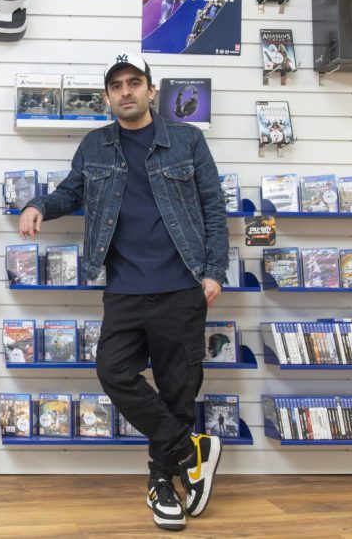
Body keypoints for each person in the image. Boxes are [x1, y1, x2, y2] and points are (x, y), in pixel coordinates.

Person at [18, 53, 228, 531]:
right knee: (113, 370)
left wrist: (215, 269)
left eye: (135, 83)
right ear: (108, 97)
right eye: (117, 86)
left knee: (179, 388)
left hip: (182, 284)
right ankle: (190, 449)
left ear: (152, 91)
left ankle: (162, 484)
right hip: (125, 287)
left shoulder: (187, 140)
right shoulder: (95, 145)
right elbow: (71, 192)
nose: (126, 91)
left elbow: (213, 206)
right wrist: (38, 205)